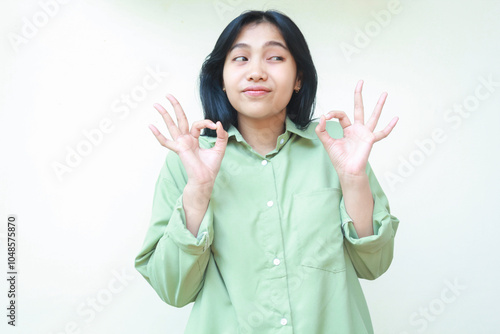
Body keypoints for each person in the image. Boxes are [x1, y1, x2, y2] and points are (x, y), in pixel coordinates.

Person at [135, 9, 400, 334]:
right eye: (241, 59)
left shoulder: (337, 147)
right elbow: (172, 289)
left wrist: (354, 180)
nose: (257, 72)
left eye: (274, 57)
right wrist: (199, 191)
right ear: (221, 76)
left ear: (299, 76)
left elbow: (373, 265)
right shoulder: (187, 161)